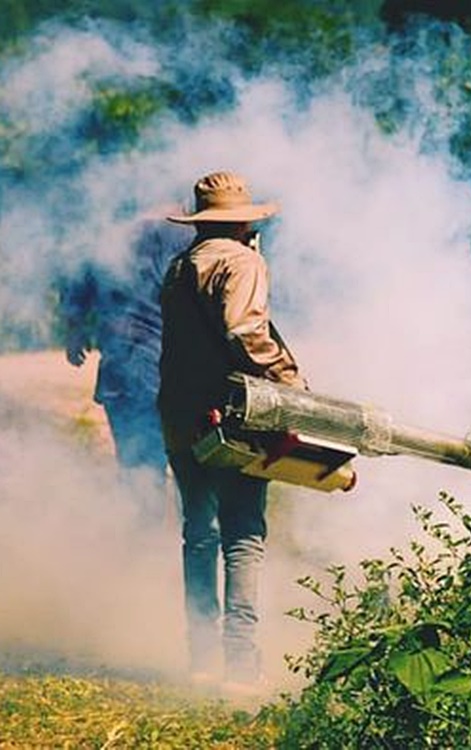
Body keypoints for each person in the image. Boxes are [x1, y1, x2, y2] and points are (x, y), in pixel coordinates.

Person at [158, 171, 307, 693]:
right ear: (242, 222)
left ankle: (201, 660)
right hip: (230, 416)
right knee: (243, 534)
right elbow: (245, 332)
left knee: (199, 534)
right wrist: (291, 384)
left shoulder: (179, 267)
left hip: (179, 416)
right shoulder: (243, 262)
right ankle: (241, 667)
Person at [62, 214, 188, 524]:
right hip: (176, 374)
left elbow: (74, 285)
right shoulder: (186, 237)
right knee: (191, 473)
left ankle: (142, 543)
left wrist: (75, 330)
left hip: (122, 372)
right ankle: (192, 542)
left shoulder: (106, 236)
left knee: (138, 472)